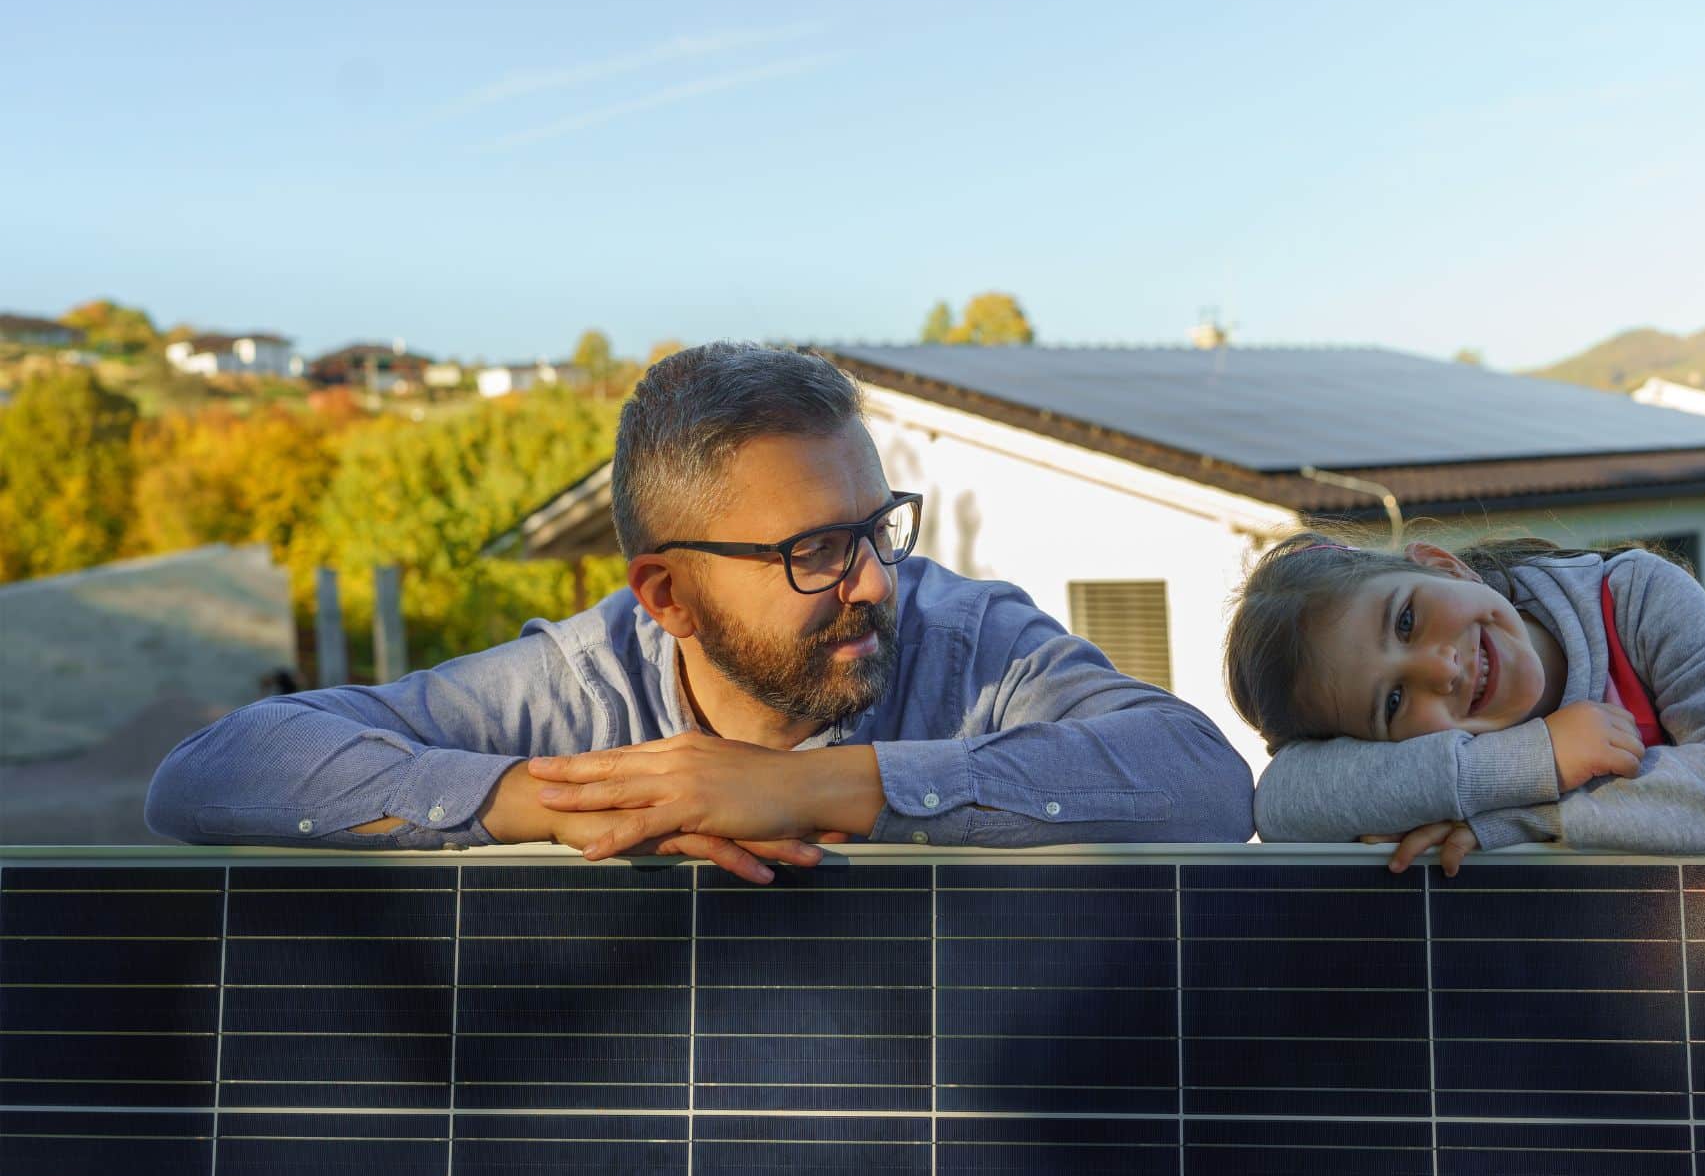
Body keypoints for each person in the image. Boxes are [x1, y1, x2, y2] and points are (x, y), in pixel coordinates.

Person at [146, 343, 1254, 880]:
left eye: (878, 526)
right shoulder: (570, 692)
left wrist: (809, 787)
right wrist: (542, 801)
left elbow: (1199, 779)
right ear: (665, 594)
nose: (873, 579)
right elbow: (208, 773)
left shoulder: (966, 643)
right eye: (816, 549)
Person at [1227, 532, 1705, 875]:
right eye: (1395, 701)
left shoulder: (1633, 597)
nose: (1441, 668)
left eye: (1406, 620)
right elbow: (1282, 807)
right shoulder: (1442, 757)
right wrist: (1531, 760)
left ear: (1442, 564)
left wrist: (1524, 819)